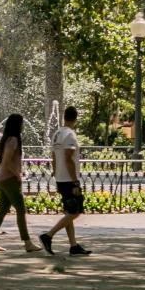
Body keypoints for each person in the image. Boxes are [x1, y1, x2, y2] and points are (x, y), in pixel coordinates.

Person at [39, 106, 91, 256]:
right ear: (76, 118)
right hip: (69, 179)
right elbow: (68, 158)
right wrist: (75, 181)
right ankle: (48, 236)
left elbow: (54, 157)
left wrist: (56, 173)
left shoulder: (57, 134)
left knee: (69, 212)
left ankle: (73, 246)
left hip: (61, 178)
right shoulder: (69, 135)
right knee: (76, 212)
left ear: (64, 117)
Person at [0, 114, 38, 254]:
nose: (23, 126)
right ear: (17, 125)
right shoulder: (13, 140)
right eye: (21, 124)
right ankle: (27, 243)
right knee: (21, 210)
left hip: (1, 179)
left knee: (2, 211)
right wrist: (18, 174)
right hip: (8, 180)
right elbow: (7, 161)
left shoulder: (8, 139)